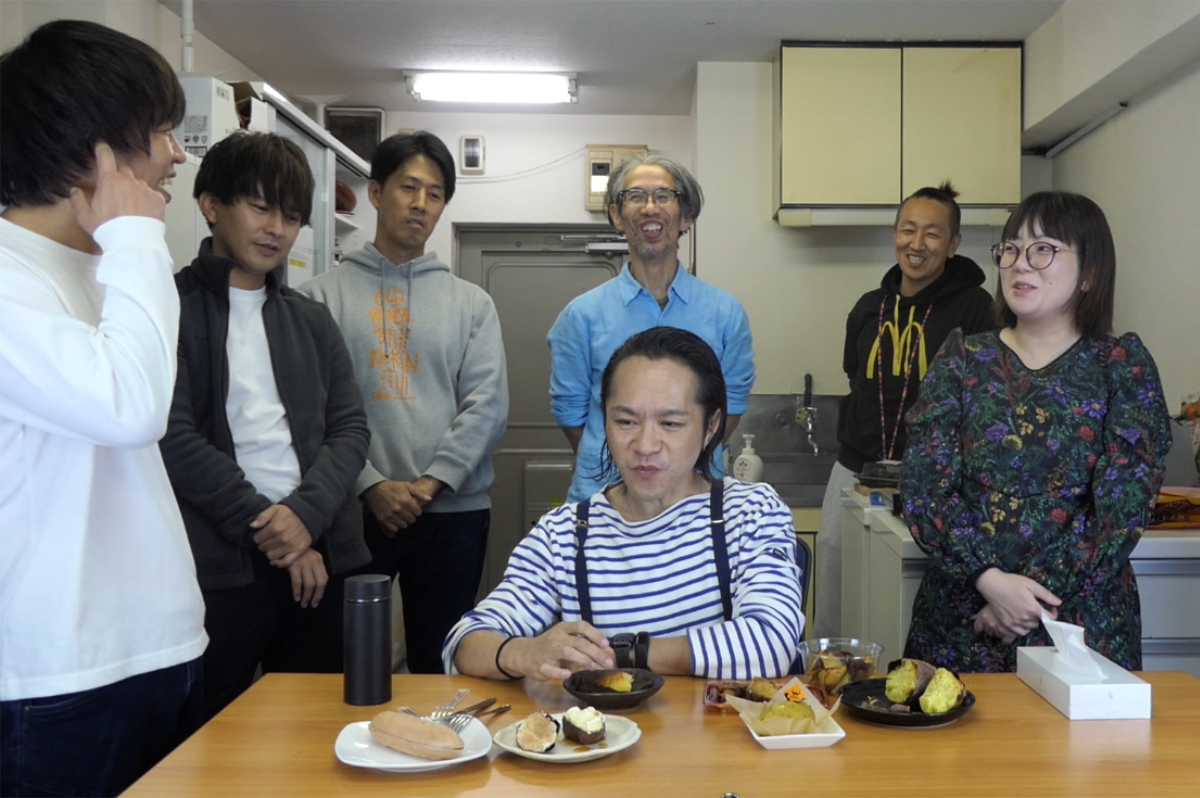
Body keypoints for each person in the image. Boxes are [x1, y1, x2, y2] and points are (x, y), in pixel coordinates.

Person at [0, 20, 208, 797]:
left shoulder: (110, 265)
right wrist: (134, 236)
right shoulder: (13, 278)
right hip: (59, 675)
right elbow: (130, 408)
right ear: (97, 148)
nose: (178, 154)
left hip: (162, 648)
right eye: (160, 132)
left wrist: (127, 244)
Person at [900, 190, 1172, 672]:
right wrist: (990, 581)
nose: (1020, 263)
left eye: (1043, 248)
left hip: (1079, 622)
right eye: (1011, 248)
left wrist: (1027, 601)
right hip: (964, 617)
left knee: (1082, 727)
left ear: (1089, 273)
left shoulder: (1121, 366)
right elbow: (924, 489)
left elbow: (1122, 507)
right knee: (952, 722)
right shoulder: (962, 359)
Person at [445, 327, 802, 681]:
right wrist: (524, 653)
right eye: (626, 421)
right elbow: (464, 644)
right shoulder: (565, 535)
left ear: (711, 426)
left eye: (670, 423)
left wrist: (625, 654)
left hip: (718, 720)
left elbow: (773, 643)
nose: (645, 445)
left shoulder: (750, 513)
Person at [158, 132, 371, 719]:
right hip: (221, 566)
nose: (277, 228)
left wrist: (304, 517)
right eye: (260, 207)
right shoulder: (168, 308)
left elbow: (350, 429)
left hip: (322, 555)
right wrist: (276, 533)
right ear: (211, 204)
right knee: (210, 732)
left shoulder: (312, 319)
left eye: (292, 216)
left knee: (324, 725)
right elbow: (173, 437)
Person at [298, 131, 509, 674]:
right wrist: (370, 485)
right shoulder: (317, 298)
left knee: (442, 661)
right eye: (408, 187)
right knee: (343, 662)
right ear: (375, 192)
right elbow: (310, 410)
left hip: (453, 513)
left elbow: (486, 406)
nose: (420, 204)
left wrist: (430, 484)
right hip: (351, 510)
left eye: (435, 194)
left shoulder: (472, 304)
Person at [815, 182, 996, 638]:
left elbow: (984, 397)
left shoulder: (976, 308)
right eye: (907, 230)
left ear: (953, 244)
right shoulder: (869, 308)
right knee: (838, 590)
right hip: (855, 472)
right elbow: (855, 374)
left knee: (901, 597)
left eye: (932, 234)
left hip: (935, 481)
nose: (917, 244)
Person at [548, 152, 755, 503]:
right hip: (603, 502)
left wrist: (679, 468)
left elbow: (730, 408)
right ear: (617, 215)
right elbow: (571, 415)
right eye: (635, 197)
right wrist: (625, 468)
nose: (649, 208)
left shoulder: (725, 314)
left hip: (697, 504)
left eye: (663, 196)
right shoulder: (581, 316)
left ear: (686, 216)